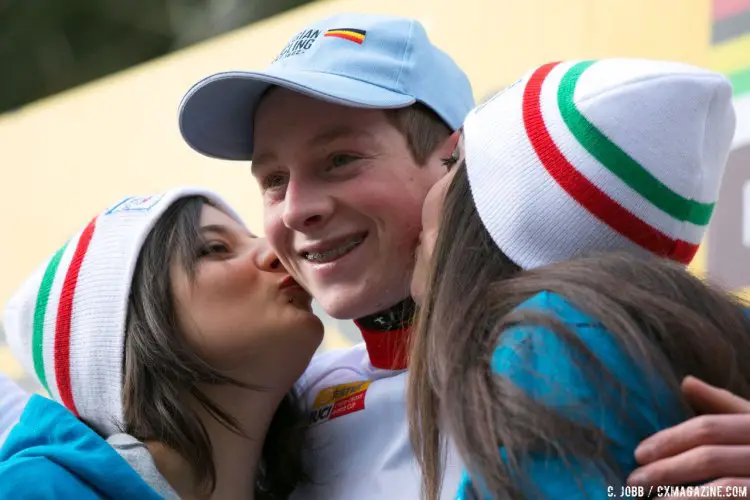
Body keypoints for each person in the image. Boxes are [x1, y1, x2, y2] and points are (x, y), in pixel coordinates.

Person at [176, 12, 750, 499]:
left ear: (459, 164)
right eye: (274, 180)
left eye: (340, 160)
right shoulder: (278, 407)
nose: (298, 209)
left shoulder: (592, 347)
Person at [407, 59, 748, 499]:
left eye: (453, 163)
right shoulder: (718, 330)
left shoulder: (548, 350)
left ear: (487, 217)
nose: (430, 191)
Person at [0, 187, 323, 499]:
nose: (277, 250)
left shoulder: (344, 469)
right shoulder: (35, 491)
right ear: (128, 331)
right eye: (214, 248)